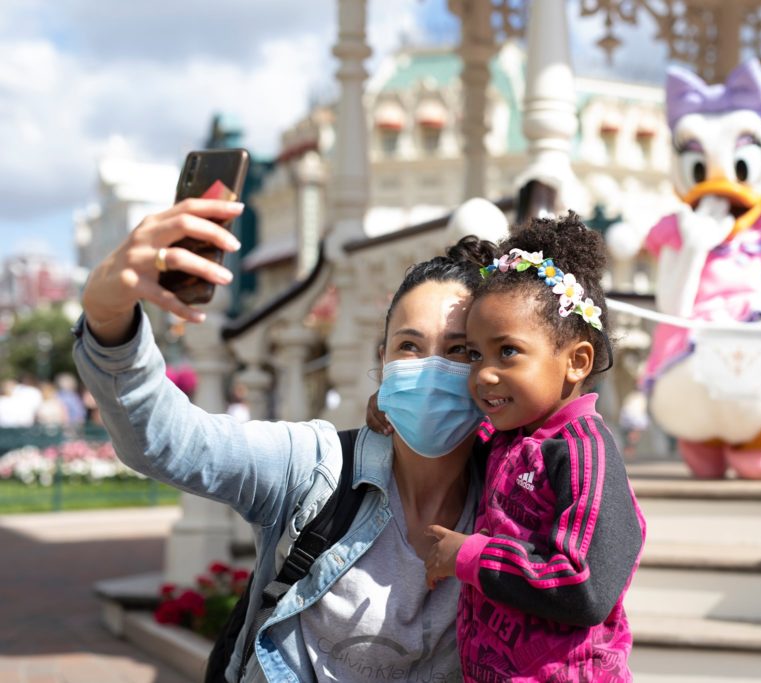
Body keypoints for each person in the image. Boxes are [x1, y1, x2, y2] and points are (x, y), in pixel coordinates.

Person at [73, 195, 500, 682]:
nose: (429, 369)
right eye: (409, 346)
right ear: (382, 361)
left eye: (459, 350)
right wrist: (109, 316)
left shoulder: (518, 497)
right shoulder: (315, 468)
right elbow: (167, 440)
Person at [422, 213, 647, 682]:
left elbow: (586, 585)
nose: (483, 374)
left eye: (507, 352)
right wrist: (390, 412)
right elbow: (444, 444)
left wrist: (469, 556)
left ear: (576, 361)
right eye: (475, 355)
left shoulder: (583, 451)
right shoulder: (507, 438)